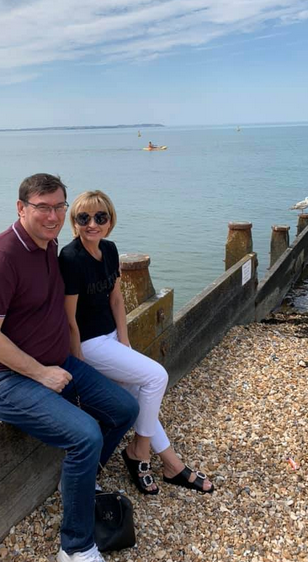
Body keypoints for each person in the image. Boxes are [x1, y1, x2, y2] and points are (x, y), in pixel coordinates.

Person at [0, 173, 139, 562]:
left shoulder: (49, 246)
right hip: (5, 378)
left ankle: (79, 482)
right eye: (42, 208)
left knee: (124, 409)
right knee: (85, 436)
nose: (52, 216)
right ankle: (75, 546)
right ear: (21, 208)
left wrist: (71, 356)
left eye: (59, 207)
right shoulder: (0, 257)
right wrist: (41, 373)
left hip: (58, 361)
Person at [59, 190, 214, 497]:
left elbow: (117, 299)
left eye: (100, 217)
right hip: (89, 344)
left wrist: (124, 340)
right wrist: (79, 363)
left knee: (141, 397)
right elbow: (69, 318)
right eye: (84, 217)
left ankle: (171, 464)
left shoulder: (109, 249)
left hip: (112, 340)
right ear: (74, 222)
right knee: (157, 376)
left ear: (110, 220)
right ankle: (139, 451)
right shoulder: (71, 257)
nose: (92, 224)